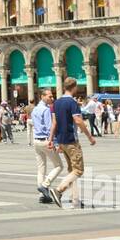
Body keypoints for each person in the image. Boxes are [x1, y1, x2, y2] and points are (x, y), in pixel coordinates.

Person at [50, 78, 95, 209]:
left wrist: (52, 140)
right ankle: (58, 190)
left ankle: (75, 200)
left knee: (72, 171)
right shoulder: (72, 102)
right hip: (71, 140)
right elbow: (78, 121)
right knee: (79, 170)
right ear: (74, 87)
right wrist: (90, 137)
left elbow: (54, 123)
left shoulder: (56, 103)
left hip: (61, 141)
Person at [32, 89, 61, 204]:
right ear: (42, 96)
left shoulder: (35, 109)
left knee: (41, 169)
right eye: (49, 96)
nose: (52, 98)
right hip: (45, 141)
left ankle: (42, 195)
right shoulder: (46, 110)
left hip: (36, 141)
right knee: (59, 165)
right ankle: (45, 185)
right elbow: (50, 127)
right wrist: (54, 141)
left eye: (52, 96)